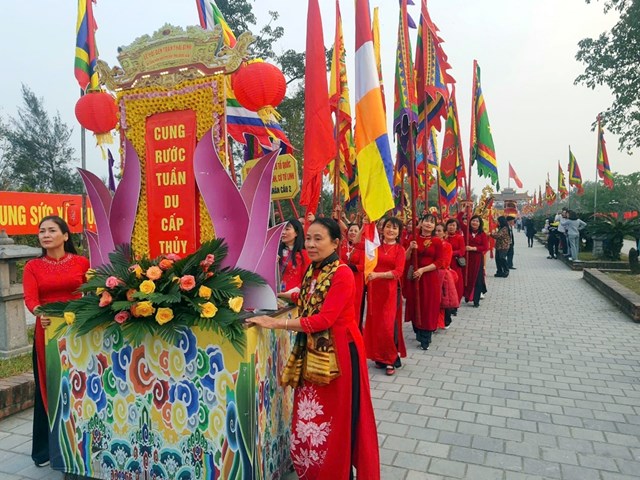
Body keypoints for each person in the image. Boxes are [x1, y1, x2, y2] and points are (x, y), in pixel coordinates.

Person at [250, 218, 380, 480]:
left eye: (318, 238)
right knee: (309, 418)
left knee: (335, 420)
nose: (310, 243)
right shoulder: (315, 270)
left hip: (338, 356)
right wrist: (278, 294)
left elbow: (323, 319)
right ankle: (314, 470)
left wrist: (276, 323)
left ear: (335, 242)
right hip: (313, 354)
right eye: (308, 238)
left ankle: (336, 472)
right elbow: (308, 297)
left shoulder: (342, 273)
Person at [22, 216, 90, 468]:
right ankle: (46, 450)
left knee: (78, 384)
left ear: (65, 235)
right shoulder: (33, 266)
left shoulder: (82, 262)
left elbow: (93, 291)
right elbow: (30, 298)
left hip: (78, 330)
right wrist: (40, 312)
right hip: (48, 332)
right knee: (50, 385)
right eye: (41, 231)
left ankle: (80, 441)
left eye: (52, 230)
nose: (45, 235)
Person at [363, 217, 406, 375]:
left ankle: (391, 360)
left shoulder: (399, 250)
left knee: (388, 325)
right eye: (388, 226)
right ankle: (379, 358)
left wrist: (378, 275)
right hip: (375, 290)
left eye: (395, 228)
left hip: (390, 291)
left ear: (399, 232)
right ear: (382, 229)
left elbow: (398, 272)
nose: (391, 230)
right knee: (375, 324)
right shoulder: (375, 248)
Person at [404, 214, 446, 350]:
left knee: (428, 305)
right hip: (414, 277)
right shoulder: (413, 238)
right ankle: (417, 328)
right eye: (426, 221)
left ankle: (426, 336)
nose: (428, 224)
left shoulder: (437, 241)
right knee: (415, 302)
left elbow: (439, 262)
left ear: (435, 226)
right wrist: (410, 247)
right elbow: (405, 257)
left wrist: (423, 270)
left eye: (432, 222)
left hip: (429, 277)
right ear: (420, 224)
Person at [340, 223, 365, 328]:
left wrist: (348, 267)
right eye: (351, 230)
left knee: (354, 305)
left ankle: (353, 330)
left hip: (356, 280)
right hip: (342, 279)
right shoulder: (342, 245)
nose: (353, 233)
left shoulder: (362, 246)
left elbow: (363, 266)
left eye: (356, 231)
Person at [278, 218, 310, 298]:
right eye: (282, 229)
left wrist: (292, 293)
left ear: (296, 233)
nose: (283, 232)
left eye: (287, 229)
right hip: (276, 297)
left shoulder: (304, 255)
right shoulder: (275, 253)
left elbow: (307, 279)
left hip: (293, 298)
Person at [463, 215, 490, 307]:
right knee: (467, 278)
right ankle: (467, 295)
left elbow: (486, 247)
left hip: (478, 259)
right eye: (473, 220)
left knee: (478, 280)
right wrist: (463, 210)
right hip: (467, 258)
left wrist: (473, 248)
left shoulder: (482, 234)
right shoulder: (466, 231)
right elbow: (458, 220)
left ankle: (476, 299)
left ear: (480, 224)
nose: (475, 222)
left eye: (477, 221)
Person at [444, 219, 465, 322]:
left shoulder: (459, 238)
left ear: (457, 227)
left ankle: (455, 305)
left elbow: (462, 251)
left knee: (457, 285)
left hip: (455, 264)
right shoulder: (444, 237)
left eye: (453, 225)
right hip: (445, 263)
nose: (451, 227)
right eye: (449, 225)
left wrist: (450, 252)